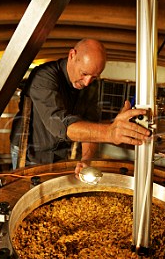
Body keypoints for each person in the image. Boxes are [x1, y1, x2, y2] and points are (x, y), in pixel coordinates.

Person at [10, 38, 151, 173]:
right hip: (31, 153)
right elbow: (59, 125)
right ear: (72, 55)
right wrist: (109, 133)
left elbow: (90, 124)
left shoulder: (90, 85)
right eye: (84, 73)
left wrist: (86, 159)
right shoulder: (44, 77)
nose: (87, 82)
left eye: (94, 77)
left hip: (61, 155)